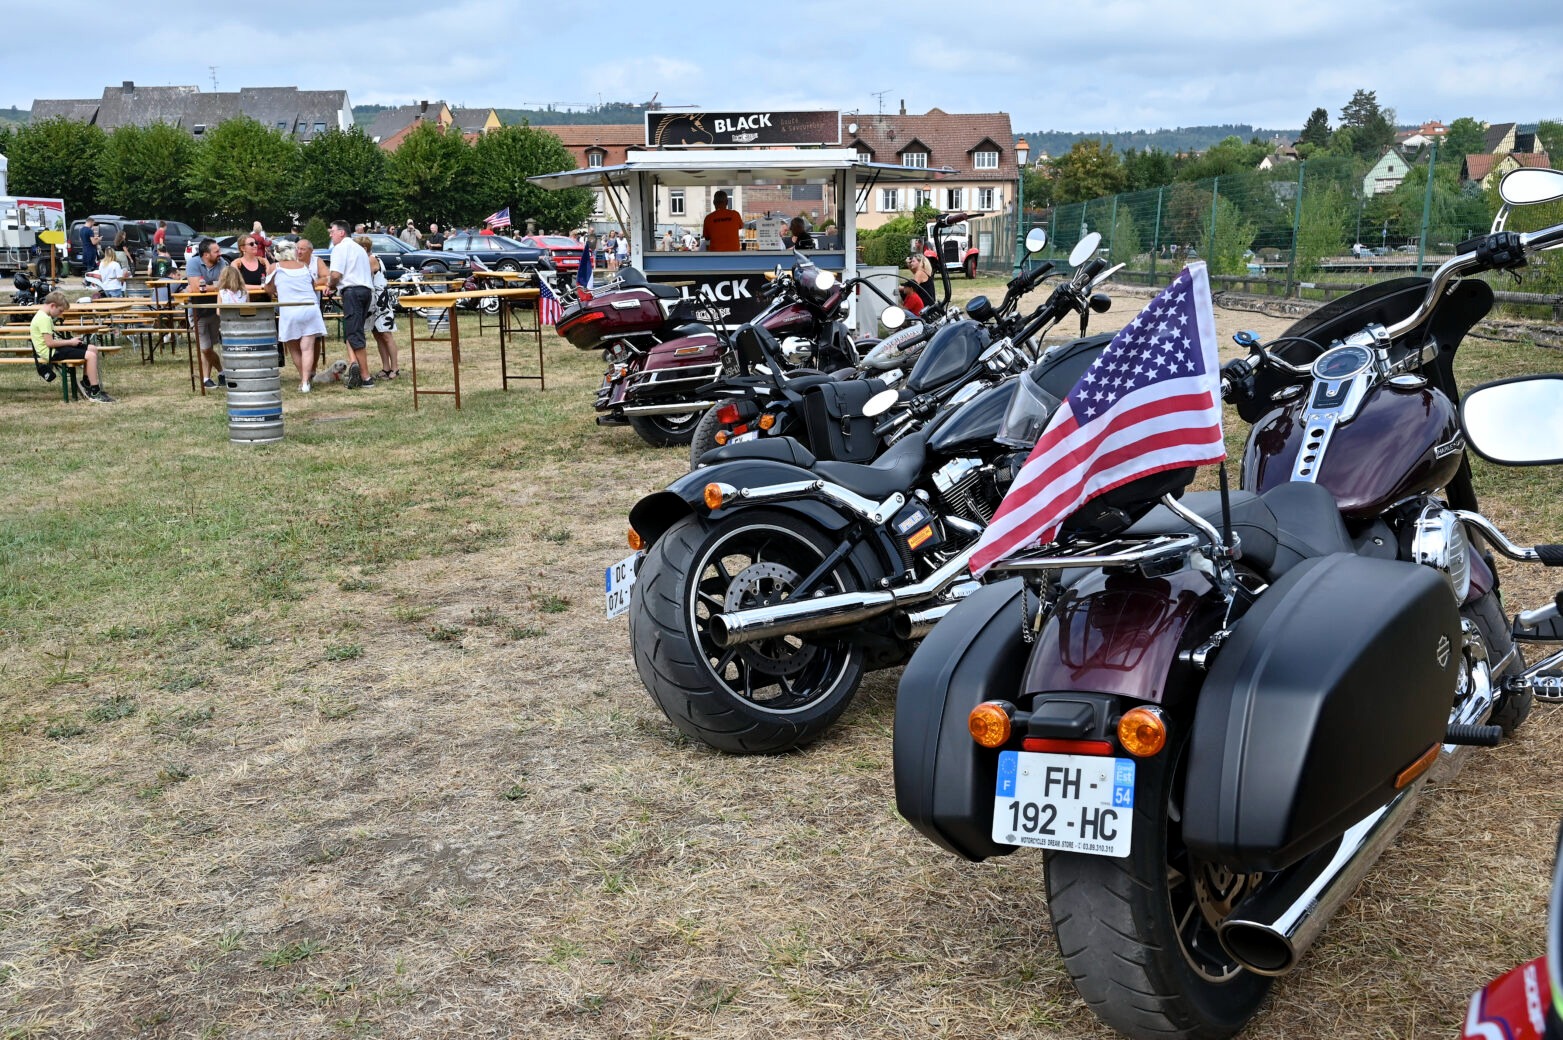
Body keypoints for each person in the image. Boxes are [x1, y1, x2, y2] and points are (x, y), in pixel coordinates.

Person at [265, 239, 328, 393]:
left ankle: (303, 380)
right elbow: (312, 285)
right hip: (310, 307)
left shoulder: (275, 267)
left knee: (294, 348)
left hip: (290, 309)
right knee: (307, 348)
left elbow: (268, 289)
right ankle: (306, 381)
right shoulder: (304, 266)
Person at [31, 290, 113, 402]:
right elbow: (49, 343)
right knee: (91, 356)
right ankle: (95, 391)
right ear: (52, 306)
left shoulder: (44, 315)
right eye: (60, 311)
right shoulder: (44, 319)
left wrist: (70, 342)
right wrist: (70, 342)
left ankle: (86, 383)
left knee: (92, 349)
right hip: (51, 353)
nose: (60, 314)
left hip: (54, 349)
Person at [326, 219, 375, 388]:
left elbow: (336, 274)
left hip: (352, 292)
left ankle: (366, 377)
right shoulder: (359, 248)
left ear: (342, 232)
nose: (330, 235)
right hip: (365, 291)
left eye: (332, 231)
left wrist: (330, 285)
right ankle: (354, 363)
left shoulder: (340, 248)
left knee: (354, 333)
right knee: (353, 330)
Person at [185, 237, 228, 388]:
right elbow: (196, 288)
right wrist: (216, 286)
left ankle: (206, 379)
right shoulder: (193, 263)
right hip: (198, 311)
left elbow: (226, 284)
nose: (220, 253)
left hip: (215, 310)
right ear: (206, 254)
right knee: (205, 348)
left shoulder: (221, 263)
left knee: (209, 346)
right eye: (216, 251)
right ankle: (222, 372)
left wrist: (206, 287)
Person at [357, 235, 400, 381]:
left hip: (380, 301)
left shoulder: (371, 259)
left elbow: (364, 275)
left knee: (386, 335)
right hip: (372, 302)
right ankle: (386, 367)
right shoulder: (367, 259)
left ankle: (395, 368)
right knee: (378, 335)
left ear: (364, 248)